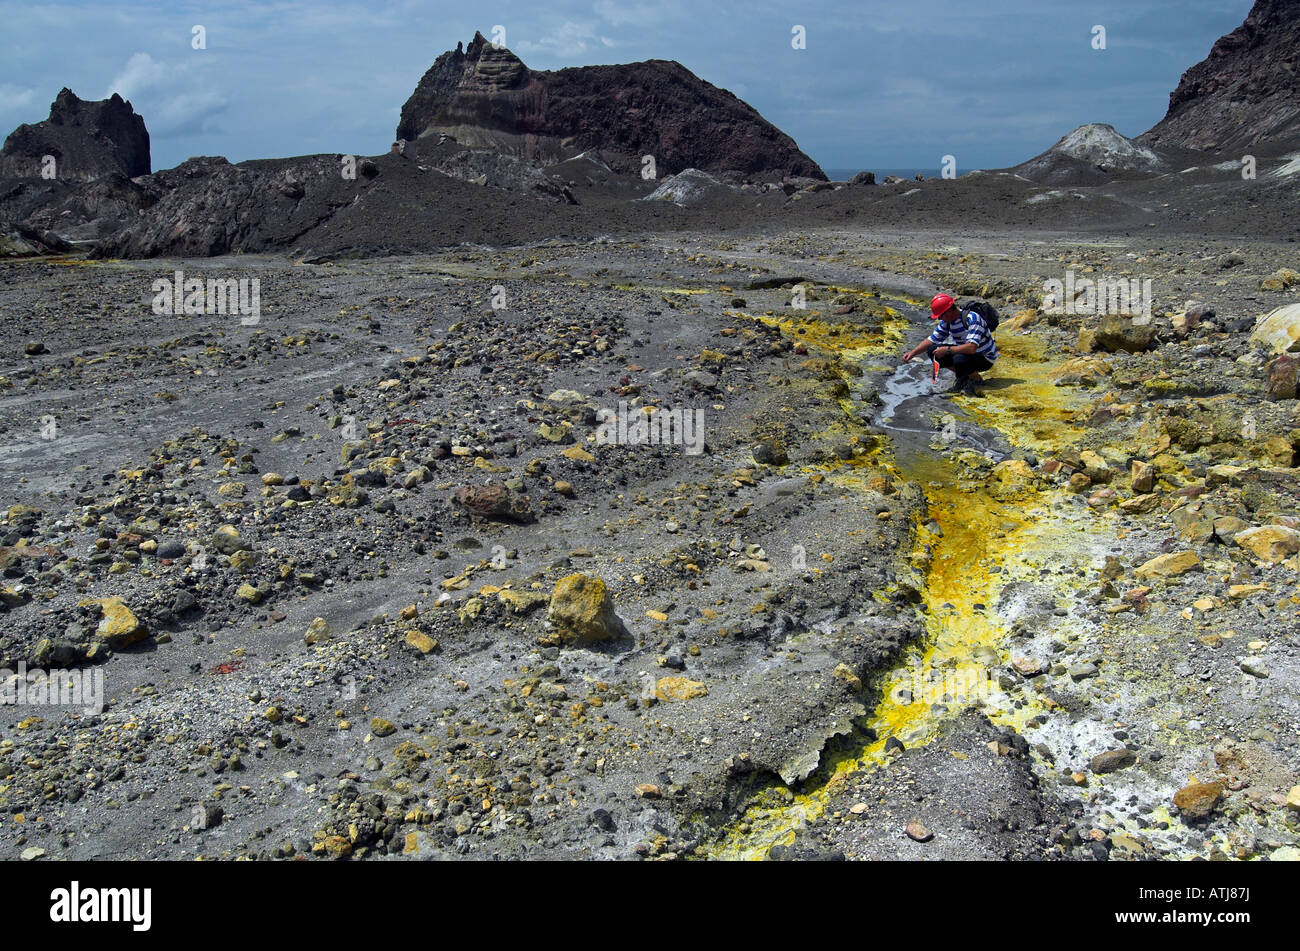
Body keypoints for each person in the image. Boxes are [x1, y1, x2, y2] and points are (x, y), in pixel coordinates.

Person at [902, 293, 998, 396]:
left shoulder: (972, 318)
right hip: (968, 353)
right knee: (933, 351)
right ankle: (963, 377)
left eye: (940, 316)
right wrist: (913, 353)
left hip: (985, 357)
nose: (940, 319)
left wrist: (947, 350)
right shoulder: (947, 322)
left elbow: (971, 348)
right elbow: (931, 340)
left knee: (959, 359)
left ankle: (975, 379)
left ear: (948, 312)